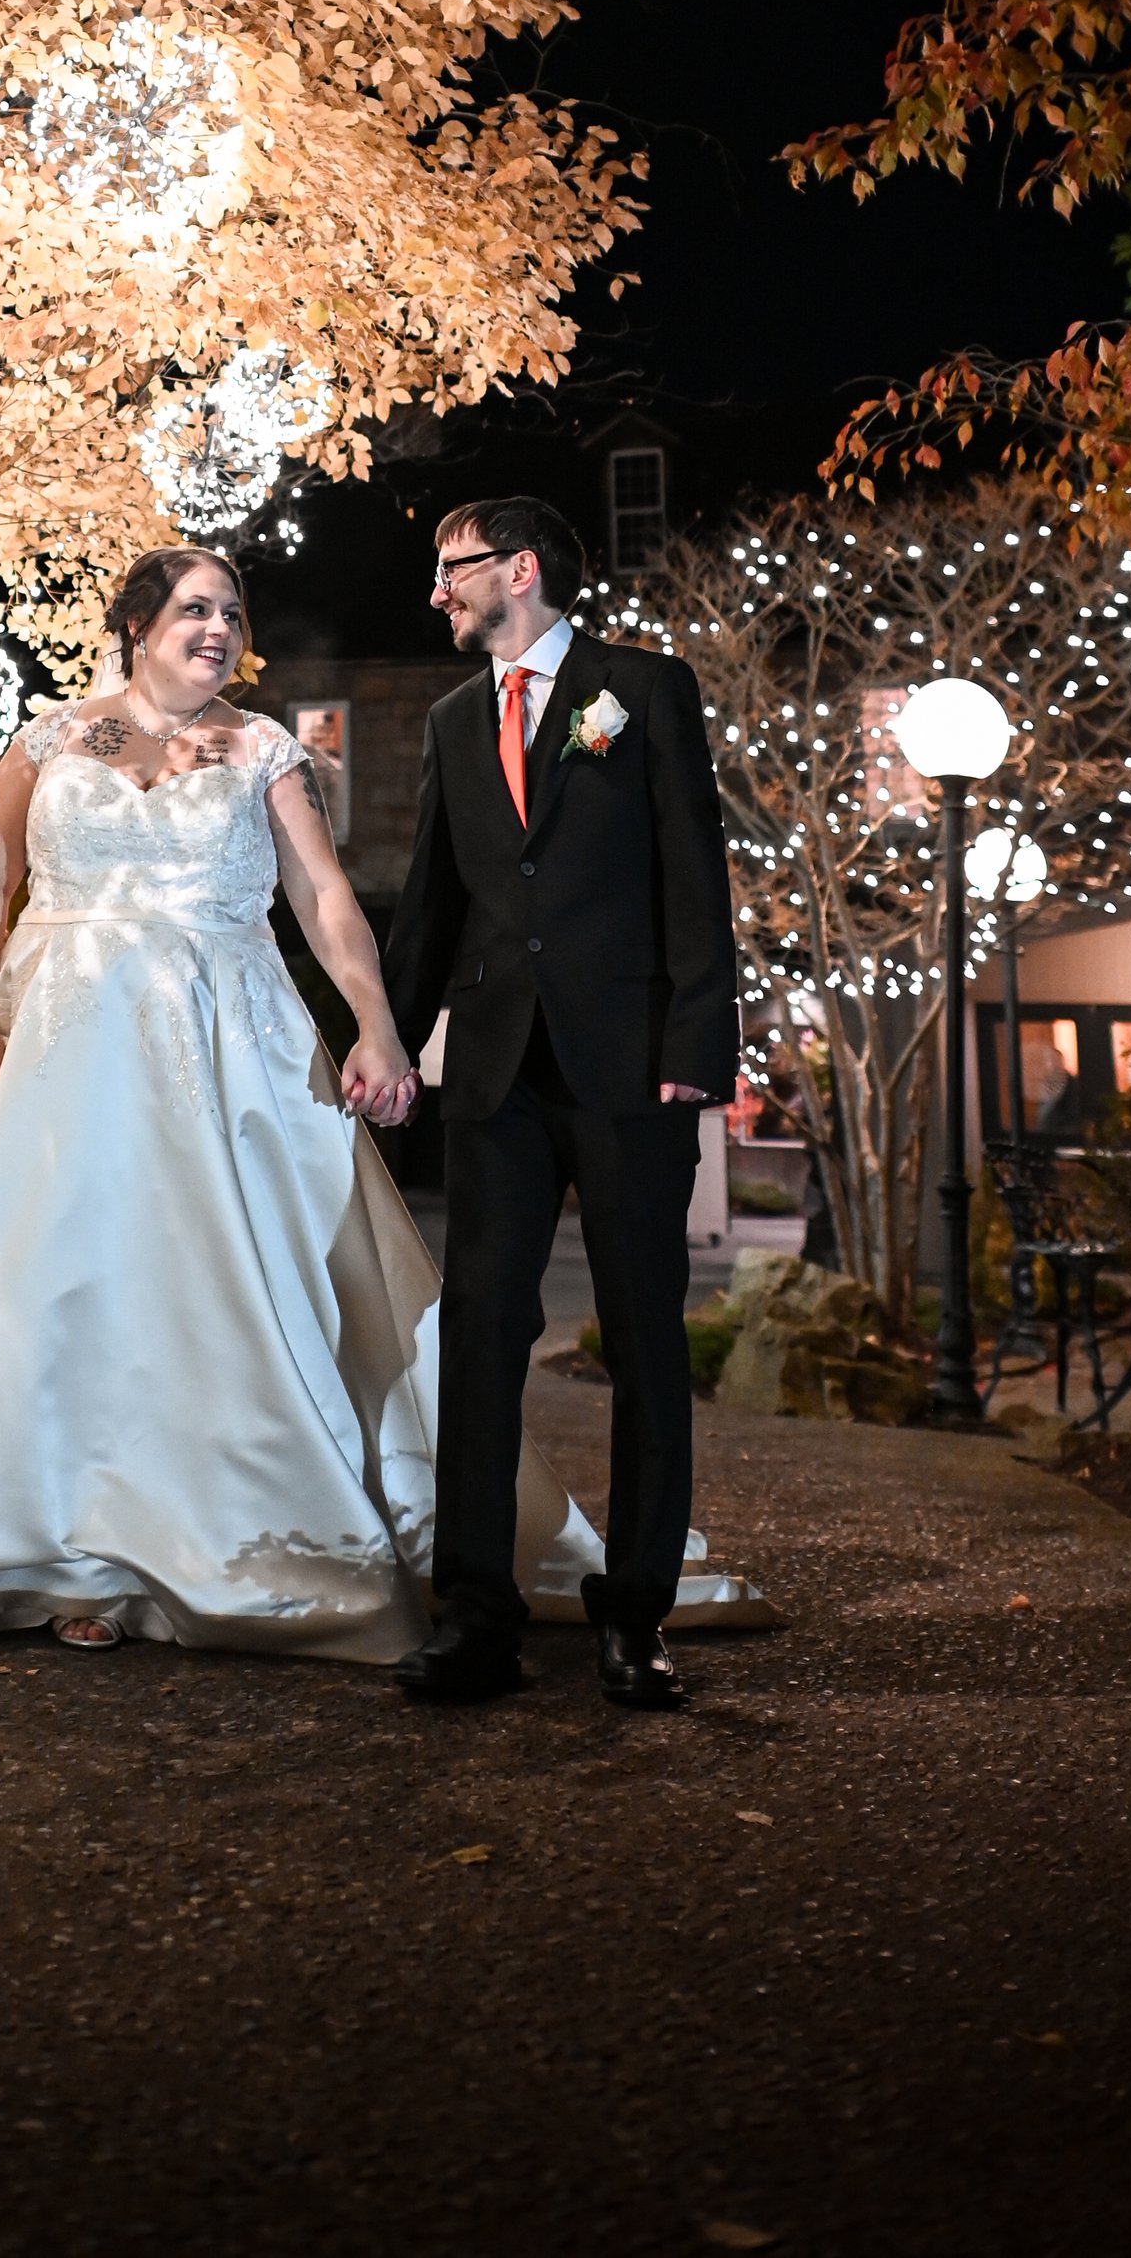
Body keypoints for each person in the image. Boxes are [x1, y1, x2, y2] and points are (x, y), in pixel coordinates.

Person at [0, 544, 604, 1658]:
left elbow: (323, 895)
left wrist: (374, 1024)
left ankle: (223, 1537)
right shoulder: (54, 737)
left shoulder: (260, 746)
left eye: (230, 611)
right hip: (64, 1057)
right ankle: (61, 1549)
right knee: (57, 1285)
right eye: (192, 609)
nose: (216, 627)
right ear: (137, 624)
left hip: (227, 1047)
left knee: (209, 1287)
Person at [382, 494, 740, 1708]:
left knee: (643, 1336)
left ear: (517, 569)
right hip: (495, 1071)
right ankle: (473, 1614)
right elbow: (431, 902)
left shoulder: (640, 688)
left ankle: (632, 1618)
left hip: (631, 1062)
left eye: (452, 569)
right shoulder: (444, 722)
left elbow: (695, 867)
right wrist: (378, 1036)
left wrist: (698, 1038)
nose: (437, 591)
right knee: (480, 1336)